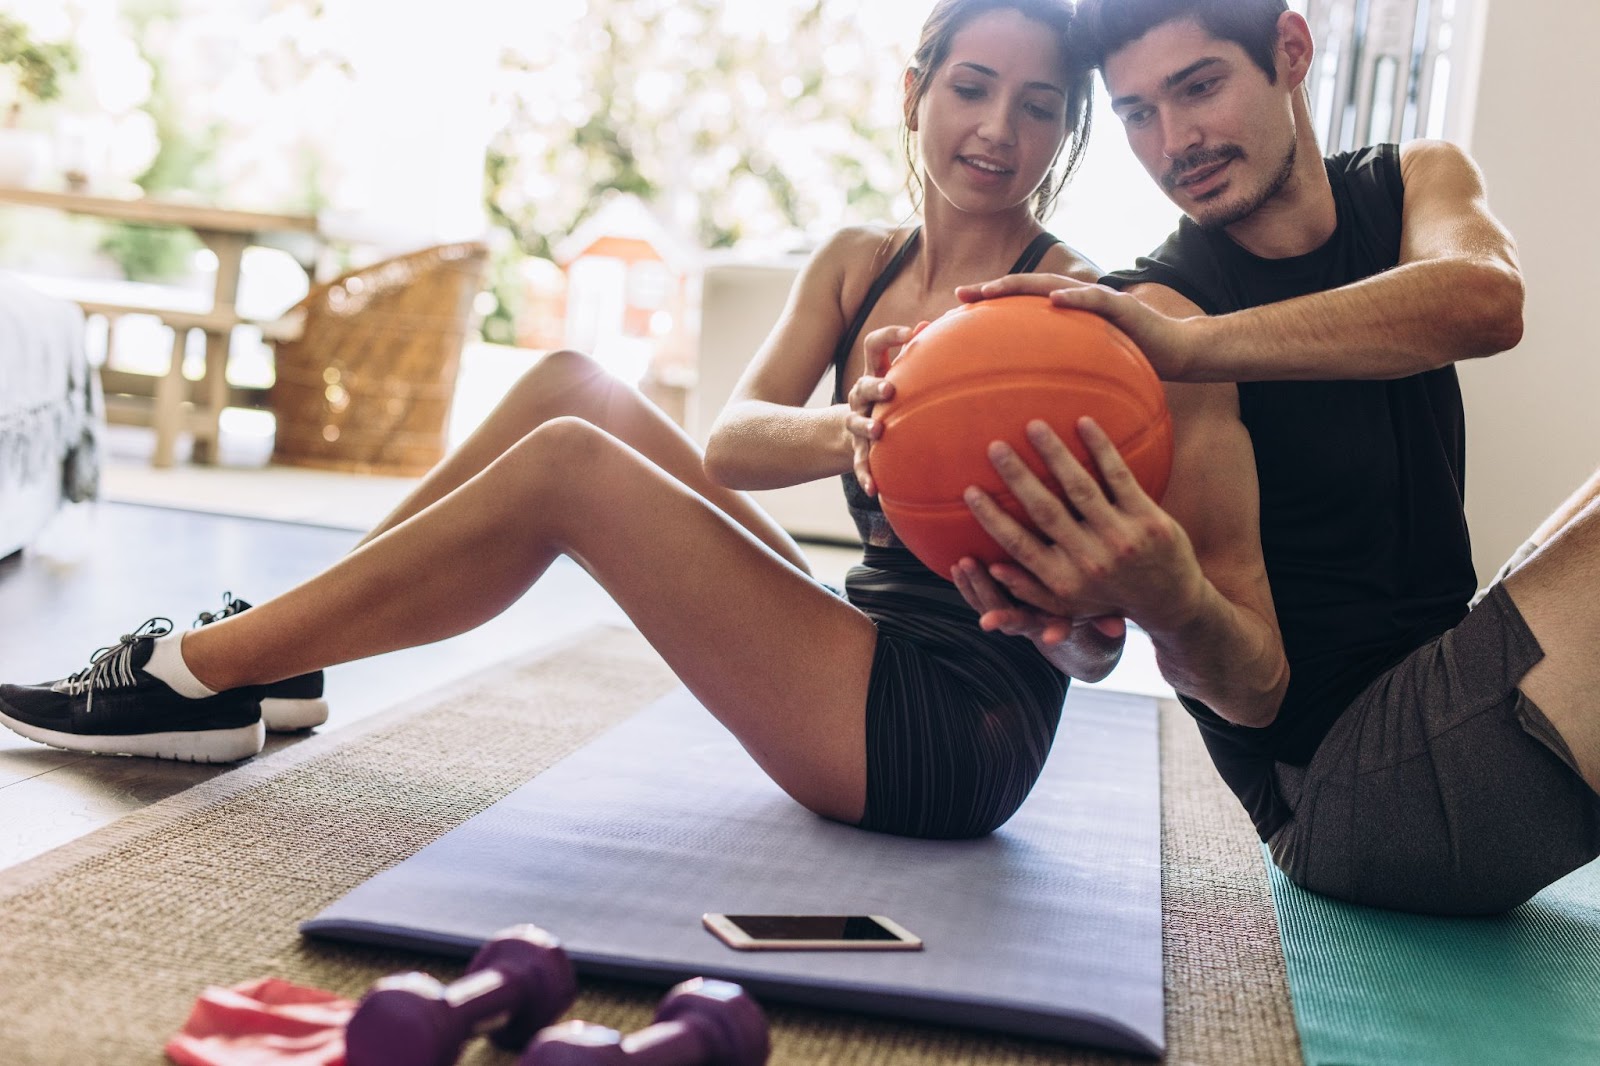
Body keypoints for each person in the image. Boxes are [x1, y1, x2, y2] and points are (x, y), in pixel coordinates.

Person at [0, 0, 1282, 841]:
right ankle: (277, 651)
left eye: (1042, 105)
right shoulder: (857, 263)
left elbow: (1104, 637)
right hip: (857, 638)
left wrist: (1103, 605)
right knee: (572, 385)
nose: (997, 130)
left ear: (1068, 135)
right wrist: (857, 427)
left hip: (947, 734)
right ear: (915, 93)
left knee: (571, 470)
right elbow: (731, 438)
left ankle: (188, 680)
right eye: (971, 87)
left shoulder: (1073, 310)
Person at [950, 0, 1600, 913]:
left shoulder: (1415, 178)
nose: (1175, 141)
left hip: (1446, 683)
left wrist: (1198, 348)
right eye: (1138, 113)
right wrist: (1163, 604)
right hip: (1341, 791)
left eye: (1199, 86)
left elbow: (1486, 302)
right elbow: (1253, 694)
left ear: (1290, 52)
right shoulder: (1164, 305)